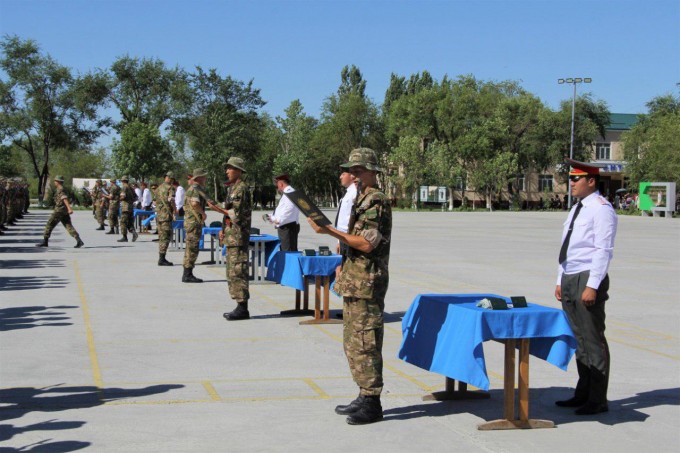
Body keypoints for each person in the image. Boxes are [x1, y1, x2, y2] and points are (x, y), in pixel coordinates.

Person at [308, 148, 391, 425]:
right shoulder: (362, 198)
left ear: (371, 171)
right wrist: (342, 259)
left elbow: (367, 243)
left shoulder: (376, 200)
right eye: (351, 171)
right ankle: (364, 394)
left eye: (357, 170)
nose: (353, 175)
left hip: (367, 282)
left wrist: (328, 230)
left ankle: (373, 401)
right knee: (353, 342)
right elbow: (353, 239)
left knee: (366, 342)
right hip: (355, 279)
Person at [555, 159, 617, 416]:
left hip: (587, 277)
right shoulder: (577, 208)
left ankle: (598, 398)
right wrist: (560, 279)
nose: (571, 183)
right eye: (570, 179)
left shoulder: (602, 209)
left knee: (592, 339)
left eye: (576, 179)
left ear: (591, 181)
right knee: (578, 339)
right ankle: (583, 392)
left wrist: (592, 285)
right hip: (571, 276)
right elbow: (568, 247)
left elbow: (603, 250)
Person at [212, 157, 252, 321]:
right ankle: (238, 304)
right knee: (232, 272)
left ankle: (243, 308)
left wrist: (216, 207)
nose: (227, 171)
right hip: (231, 235)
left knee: (238, 271)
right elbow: (228, 213)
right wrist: (223, 229)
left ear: (238, 170)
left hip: (238, 237)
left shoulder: (241, 189)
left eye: (230, 168)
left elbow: (235, 213)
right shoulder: (232, 189)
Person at [182, 168, 215, 283]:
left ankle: (187, 273)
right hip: (194, 222)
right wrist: (203, 213)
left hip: (191, 222)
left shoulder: (193, 188)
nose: (205, 179)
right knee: (192, 248)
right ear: (199, 178)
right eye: (204, 176)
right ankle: (187, 274)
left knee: (190, 247)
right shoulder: (195, 189)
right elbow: (195, 203)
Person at [35, 175, 84, 248]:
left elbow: (64, 198)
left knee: (49, 224)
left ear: (58, 181)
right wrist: (67, 209)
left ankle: (45, 241)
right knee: (68, 225)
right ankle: (79, 240)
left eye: (55, 181)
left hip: (59, 210)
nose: (54, 182)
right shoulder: (62, 188)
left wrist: (69, 208)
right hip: (63, 210)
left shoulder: (60, 189)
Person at [268, 174, 300, 251]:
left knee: (288, 252)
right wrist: (272, 217)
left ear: (281, 184)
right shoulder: (288, 192)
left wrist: (278, 220)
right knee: (286, 250)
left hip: (287, 227)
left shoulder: (289, 193)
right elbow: (283, 209)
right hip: (286, 226)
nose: (277, 187)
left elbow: (289, 210)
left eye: (277, 185)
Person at [335, 169, 357, 259]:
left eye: (343, 174)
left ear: (351, 175)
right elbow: (341, 221)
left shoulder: (355, 192)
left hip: (349, 237)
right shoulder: (348, 193)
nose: (340, 177)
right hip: (343, 238)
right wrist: (338, 241)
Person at [155, 172, 176, 266]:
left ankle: (161, 257)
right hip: (166, 216)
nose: (172, 180)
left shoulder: (159, 188)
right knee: (166, 237)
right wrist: (174, 211)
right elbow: (171, 201)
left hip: (159, 215)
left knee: (161, 236)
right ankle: (162, 258)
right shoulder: (170, 188)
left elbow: (156, 201)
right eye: (171, 179)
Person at [117, 176, 139, 243]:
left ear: (123, 181)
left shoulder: (124, 187)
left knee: (123, 222)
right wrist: (131, 201)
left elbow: (123, 196)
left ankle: (124, 237)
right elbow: (136, 197)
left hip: (125, 207)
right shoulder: (131, 188)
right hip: (131, 207)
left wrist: (118, 199)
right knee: (130, 222)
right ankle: (133, 232)